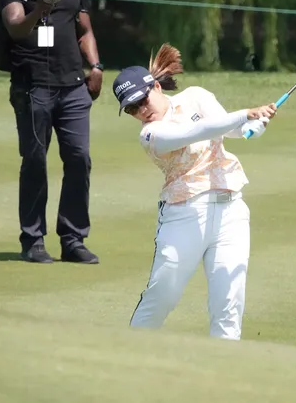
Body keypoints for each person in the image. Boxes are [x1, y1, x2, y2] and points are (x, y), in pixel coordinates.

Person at [111, 43, 277, 340]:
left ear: (156, 87)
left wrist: (255, 124)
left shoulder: (196, 97)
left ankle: (222, 366)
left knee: (229, 302)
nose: (142, 110)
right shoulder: (150, 134)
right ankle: (130, 352)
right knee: (162, 296)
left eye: (142, 100)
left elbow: (232, 130)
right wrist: (245, 114)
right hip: (184, 216)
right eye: (133, 108)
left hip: (231, 212)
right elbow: (195, 132)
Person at [0, 0, 103, 264]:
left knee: (79, 159)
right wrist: (41, 7)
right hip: (33, 87)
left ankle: (73, 240)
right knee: (35, 162)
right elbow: (16, 28)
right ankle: (33, 240)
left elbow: (84, 30)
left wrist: (96, 66)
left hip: (73, 88)